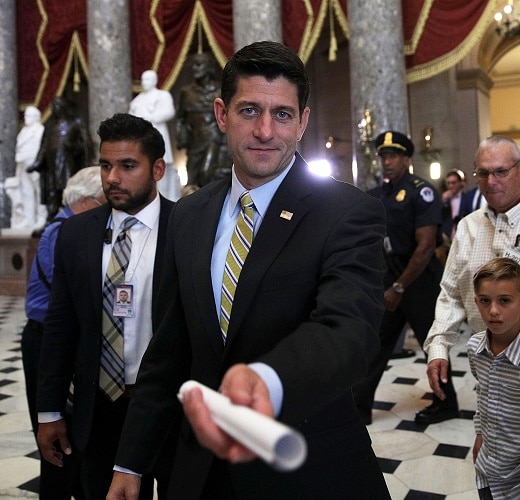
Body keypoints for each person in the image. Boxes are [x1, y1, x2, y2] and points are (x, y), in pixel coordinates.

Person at [107, 40, 390, 499]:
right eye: (249, 110)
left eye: (282, 114)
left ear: (302, 122)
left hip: (307, 467)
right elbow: (169, 350)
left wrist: (268, 380)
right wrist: (130, 462)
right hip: (202, 473)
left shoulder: (345, 212)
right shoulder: (188, 215)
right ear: (222, 114)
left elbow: (349, 330)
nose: (264, 130)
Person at [36, 113, 175, 499]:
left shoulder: (185, 227)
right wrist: (49, 411)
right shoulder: (76, 232)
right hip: (98, 408)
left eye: (128, 166)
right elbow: (60, 325)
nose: (112, 177)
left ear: (157, 169)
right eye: (106, 165)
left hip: (167, 408)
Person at [424, 136, 520, 425]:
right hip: (489, 370)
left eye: (501, 171)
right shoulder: (468, 227)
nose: (491, 181)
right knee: (492, 448)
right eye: (483, 173)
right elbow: (451, 293)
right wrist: (439, 347)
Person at [22, 166, 105, 500]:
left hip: (61, 336)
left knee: (75, 436)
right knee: (58, 438)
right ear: (85, 201)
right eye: (103, 201)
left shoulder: (72, 227)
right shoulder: (63, 231)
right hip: (47, 338)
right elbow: (78, 291)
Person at [353, 130, 445, 426]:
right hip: (390, 279)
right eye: (383, 156)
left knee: (433, 345)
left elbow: (426, 246)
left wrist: (400, 286)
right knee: (375, 343)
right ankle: (358, 407)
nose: (387, 162)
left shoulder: (422, 192)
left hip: (418, 281)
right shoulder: (378, 194)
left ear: (406, 159)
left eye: (393, 156)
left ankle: (446, 402)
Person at [468, 257, 520, 499]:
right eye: (485, 301)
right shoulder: (475, 347)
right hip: (487, 472)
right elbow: (483, 394)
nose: (493, 311)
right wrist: (480, 434)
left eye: (505, 300)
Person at [28, 96, 91, 222]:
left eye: (57, 106)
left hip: (68, 163)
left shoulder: (75, 122)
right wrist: (38, 162)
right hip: (51, 164)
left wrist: (73, 147)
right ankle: (51, 219)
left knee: (67, 189)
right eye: (53, 106)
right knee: (52, 191)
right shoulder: (50, 126)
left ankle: (73, 217)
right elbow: (44, 145)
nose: (55, 108)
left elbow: (86, 144)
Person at [176, 52, 231, 187]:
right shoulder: (186, 92)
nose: (195, 68)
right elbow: (181, 118)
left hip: (214, 138)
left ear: (209, 67)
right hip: (195, 141)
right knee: (192, 179)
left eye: (199, 64)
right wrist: (182, 137)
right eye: (194, 65)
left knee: (207, 174)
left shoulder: (220, 91)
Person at [130, 70, 182, 201]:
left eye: (147, 79)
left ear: (154, 81)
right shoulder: (138, 99)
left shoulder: (163, 95)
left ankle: (165, 198)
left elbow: (169, 111)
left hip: (158, 132)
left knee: (162, 165)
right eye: (143, 80)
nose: (144, 82)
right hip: (141, 137)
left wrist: (151, 117)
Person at [6, 105, 46, 230]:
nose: (26, 117)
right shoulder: (24, 131)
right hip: (22, 163)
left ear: (36, 117)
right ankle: (28, 219)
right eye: (25, 115)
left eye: (28, 115)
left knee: (39, 191)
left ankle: (41, 217)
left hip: (35, 165)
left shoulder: (40, 130)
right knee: (26, 192)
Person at [441, 169, 468, 240]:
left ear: (460, 183)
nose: (451, 186)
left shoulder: (466, 197)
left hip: (463, 233)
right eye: (448, 183)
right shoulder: (443, 198)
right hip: (447, 234)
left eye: (453, 183)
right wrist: (442, 201)